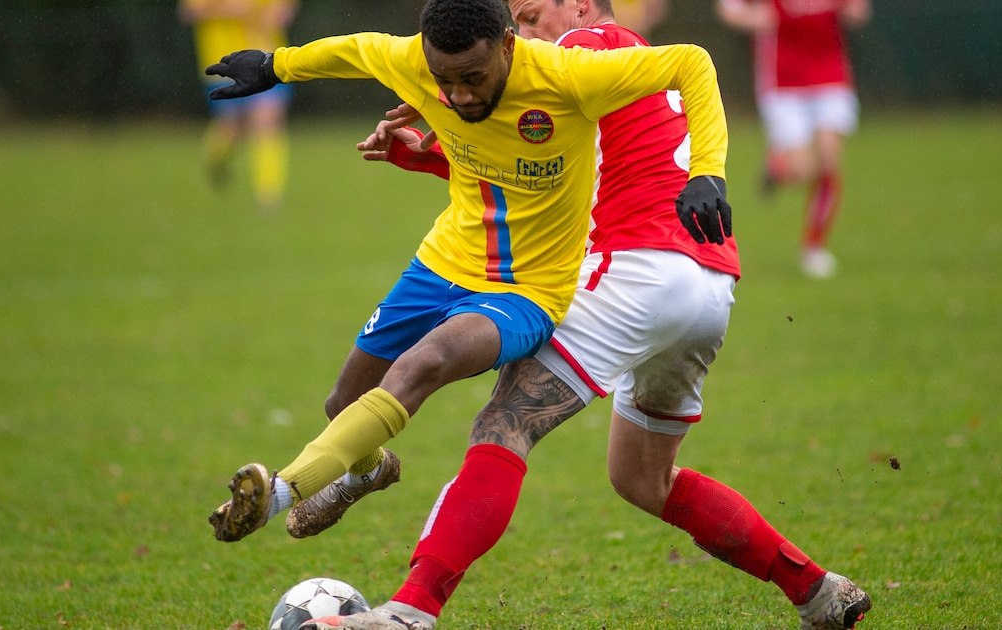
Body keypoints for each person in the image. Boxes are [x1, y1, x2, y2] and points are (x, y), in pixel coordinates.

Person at [298, 1, 871, 629]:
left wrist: (444, 105)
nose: (521, 35)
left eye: (533, 14)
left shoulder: (579, 53)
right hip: (707, 284)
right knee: (641, 478)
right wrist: (437, 153)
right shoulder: (626, 58)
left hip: (635, 267)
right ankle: (817, 590)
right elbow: (547, 170)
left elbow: (537, 136)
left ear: (579, 5)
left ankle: (410, 611)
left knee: (504, 424)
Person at [204, 0, 733, 561]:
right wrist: (272, 66)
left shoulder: (567, 73)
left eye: (472, 78)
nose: (456, 95)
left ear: (507, 46)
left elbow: (693, 62)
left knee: (424, 363)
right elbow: (351, 50)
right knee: (345, 403)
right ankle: (366, 471)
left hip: (527, 289)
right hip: (442, 264)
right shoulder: (415, 60)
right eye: (444, 81)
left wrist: (707, 171)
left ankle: (280, 491)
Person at [716, 0, 871, 279]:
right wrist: (752, 17)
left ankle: (814, 246)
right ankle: (777, 169)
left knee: (828, 161)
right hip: (784, 82)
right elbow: (729, 10)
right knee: (801, 170)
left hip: (829, 75)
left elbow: (858, 12)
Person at [178, 0, 296, 211]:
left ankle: (268, 196)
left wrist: (278, 13)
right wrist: (228, 9)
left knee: (268, 121)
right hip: (224, 63)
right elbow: (189, 11)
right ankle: (215, 157)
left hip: (267, 58)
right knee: (232, 128)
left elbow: (283, 8)